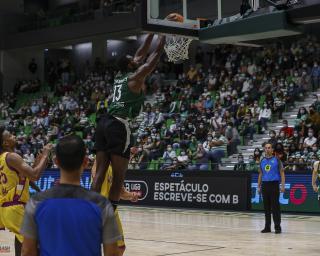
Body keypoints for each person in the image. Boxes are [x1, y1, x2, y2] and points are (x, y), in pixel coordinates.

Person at [92, 34, 166, 211]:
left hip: (103, 123)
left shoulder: (120, 76)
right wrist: (163, 37)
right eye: (131, 60)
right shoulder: (135, 78)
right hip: (118, 124)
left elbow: (140, 54)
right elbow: (150, 62)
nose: (135, 59)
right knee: (119, 177)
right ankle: (109, 215)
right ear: (129, 65)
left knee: (100, 172)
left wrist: (151, 33)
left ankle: (89, 211)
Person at [20, 135, 121, 256]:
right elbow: (112, 253)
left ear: (56, 161)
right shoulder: (102, 205)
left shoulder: (35, 203)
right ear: (85, 161)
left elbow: (27, 252)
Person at [0, 127, 52, 256]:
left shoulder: (3, 158)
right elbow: (34, 175)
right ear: (5, 143)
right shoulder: (12, 157)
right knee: (37, 243)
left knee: (21, 239)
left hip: (6, 209)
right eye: (10, 135)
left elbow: (27, 177)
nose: (14, 135)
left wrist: (39, 161)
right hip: (15, 207)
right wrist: (46, 154)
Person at [91, 160, 139, 255]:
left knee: (120, 248)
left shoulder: (115, 169)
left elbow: (121, 192)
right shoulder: (99, 163)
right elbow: (95, 172)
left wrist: (131, 195)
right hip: (100, 210)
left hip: (112, 212)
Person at [258, 143, 285, 234]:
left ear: (272, 150)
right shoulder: (262, 161)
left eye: (269, 148)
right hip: (265, 185)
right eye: (265, 148)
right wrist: (259, 186)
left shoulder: (277, 160)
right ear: (264, 150)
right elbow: (261, 174)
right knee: (266, 207)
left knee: (275, 207)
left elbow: (282, 173)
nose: (267, 149)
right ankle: (267, 227)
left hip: (274, 185)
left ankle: (277, 227)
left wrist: (283, 185)